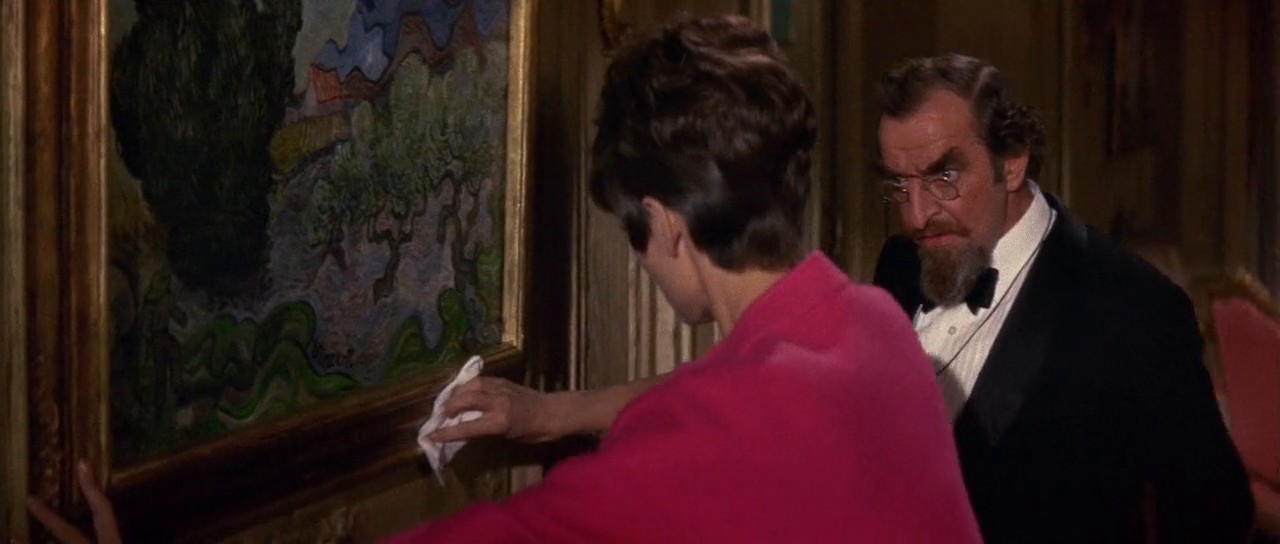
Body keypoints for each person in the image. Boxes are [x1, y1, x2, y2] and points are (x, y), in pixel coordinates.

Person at [28, 15, 981, 543]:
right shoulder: (872, 329)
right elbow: (749, 386)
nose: (641, 260)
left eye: (634, 234)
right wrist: (550, 414)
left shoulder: (697, 454)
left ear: (667, 223)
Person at [440, 53, 1257, 542]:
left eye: (944, 176)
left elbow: (1215, 522)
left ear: (1013, 161)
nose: (915, 214)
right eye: (897, 184)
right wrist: (550, 414)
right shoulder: (898, 271)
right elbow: (770, 390)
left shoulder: (1135, 311)